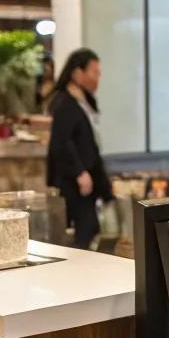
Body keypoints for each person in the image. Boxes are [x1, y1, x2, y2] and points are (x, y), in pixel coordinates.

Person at [46, 48, 111, 250]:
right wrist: (80, 172)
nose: (97, 78)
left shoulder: (85, 100)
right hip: (74, 180)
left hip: (89, 173)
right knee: (86, 227)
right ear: (77, 73)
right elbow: (62, 141)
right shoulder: (64, 102)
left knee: (91, 227)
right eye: (94, 72)